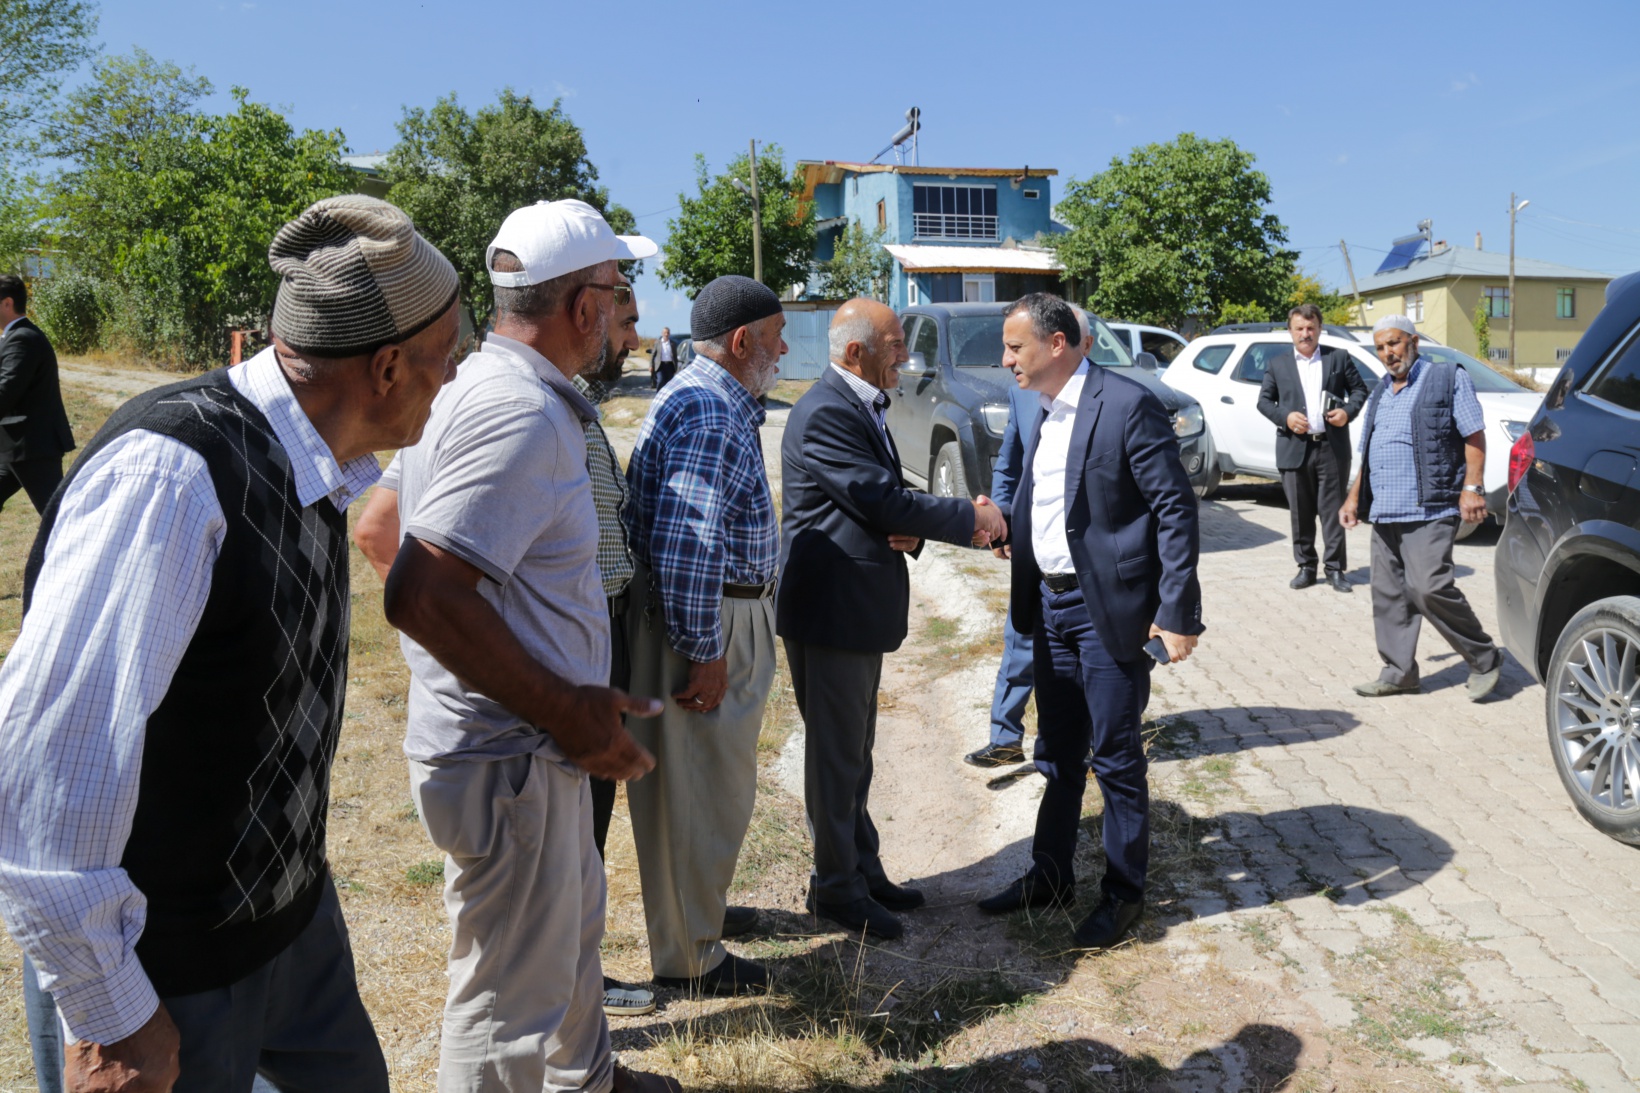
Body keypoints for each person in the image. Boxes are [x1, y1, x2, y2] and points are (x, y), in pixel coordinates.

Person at [0, 194, 462, 1093]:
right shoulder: (174, 475)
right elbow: (43, 768)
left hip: (291, 929)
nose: (453, 380)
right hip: (164, 976)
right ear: (389, 365)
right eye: (447, 358)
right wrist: (112, 1014)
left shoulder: (313, 459)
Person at [354, 199, 677, 1093]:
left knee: (562, 945)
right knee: (503, 1007)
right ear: (581, 309)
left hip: (526, 751)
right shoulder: (517, 413)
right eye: (618, 294)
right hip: (513, 755)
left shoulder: (485, 389)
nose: (625, 316)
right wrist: (562, 705)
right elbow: (421, 589)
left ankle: (591, 1082)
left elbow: (384, 525)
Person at [978, 293, 1203, 951]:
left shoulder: (1127, 405)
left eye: (1015, 346)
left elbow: (1175, 510)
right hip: (1050, 608)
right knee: (1058, 752)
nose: (1006, 358)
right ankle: (1050, 875)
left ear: (1056, 344)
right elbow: (1051, 499)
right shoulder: (1042, 409)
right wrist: (1010, 529)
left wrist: (1175, 610)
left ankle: (1124, 894)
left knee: (1116, 756)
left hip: (1110, 610)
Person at [778, 299, 1006, 939]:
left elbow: (874, 504)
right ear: (857, 352)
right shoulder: (826, 410)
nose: (906, 355)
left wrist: (908, 528)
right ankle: (836, 890)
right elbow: (878, 498)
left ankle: (861, 869)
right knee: (835, 758)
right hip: (831, 610)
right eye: (896, 343)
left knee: (855, 755)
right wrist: (971, 519)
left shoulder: (855, 402)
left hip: (852, 604)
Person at [623, 274, 785, 996]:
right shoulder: (711, 410)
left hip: (713, 613)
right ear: (744, 340)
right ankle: (691, 955)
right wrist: (706, 650)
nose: (783, 353)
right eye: (777, 340)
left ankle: (699, 917)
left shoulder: (703, 397)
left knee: (710, 788)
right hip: (708, 617)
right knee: (697, 792)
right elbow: (689, 543)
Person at [1339, 314, 1502, 701]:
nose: (1387, 354)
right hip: (1384, 512)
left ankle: (1484, 657)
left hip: (1430, 507)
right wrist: (1352, 497)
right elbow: (1370, 453)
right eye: (1380, 348)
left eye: (1393, 343)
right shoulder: (1379, 391)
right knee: (1389, 595)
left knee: (1428, 587)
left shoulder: (1446, 378)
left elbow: (1474, 435)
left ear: (1413, 341)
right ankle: (1399, 673)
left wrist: (1473, 487)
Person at [968, 306, 1096, 770]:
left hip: (1084, 556)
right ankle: (1005, 736)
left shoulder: (1106, 399)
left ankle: (1094, 738)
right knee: (1020, 633)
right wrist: (1001, 518)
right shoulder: (1023, 394)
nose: (1008, 360)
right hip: (1033, 545)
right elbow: (1009, 460)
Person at [1256, 304, 1370, 593]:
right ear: (1290, 331)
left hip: (1330, 448)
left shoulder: (1338, 358)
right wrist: (1285, 417)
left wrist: (1347, 412)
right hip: (1294, 448)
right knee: (1300, 512)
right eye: (1299, 328)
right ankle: (1306, 567)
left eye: (1311, 328)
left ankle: (1335, 569)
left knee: (1333, 512)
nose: (1305, 334)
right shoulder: (1277, 364)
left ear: (1320, 328)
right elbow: (1264, 401)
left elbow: (1359, 390)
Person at [0, 273, 75, 514]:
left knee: (58, 519)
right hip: (14, 444)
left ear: (7, 303)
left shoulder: (23, 338)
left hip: (33, 447)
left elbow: (6, 390)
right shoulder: (16, 337)